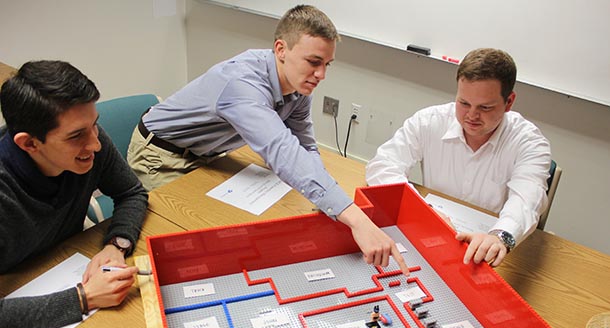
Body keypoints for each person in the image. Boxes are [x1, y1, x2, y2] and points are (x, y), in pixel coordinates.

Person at [127, 5, 409, 275]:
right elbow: (283, 152)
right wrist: (357, 219)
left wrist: (329, 201)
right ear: (281, 49)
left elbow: (305, 145)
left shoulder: (297, 85)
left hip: (206, 155)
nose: (321, 75)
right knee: (184, 243)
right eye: (313, 62)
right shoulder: (242, 84)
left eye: (326, 64)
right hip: (160, 155)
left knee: (237, 233)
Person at [0, 60, 148, 328]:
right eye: (77, 135)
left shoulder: (89, 141)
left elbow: (131, 193)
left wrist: (117, 244)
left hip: (59, 261)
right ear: (29, 143)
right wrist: (83, 298)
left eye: (94, 125)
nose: (95, 144)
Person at [365, 48, 551, 267]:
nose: (471, 115)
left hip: (484, 253)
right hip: (432, 237)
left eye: (485, 107)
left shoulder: (529, 142)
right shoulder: (430, 121)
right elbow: (383, 165)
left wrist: (499, 237)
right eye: (463, 103)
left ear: (509, 102)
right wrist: (424, 212)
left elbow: (527, 201)